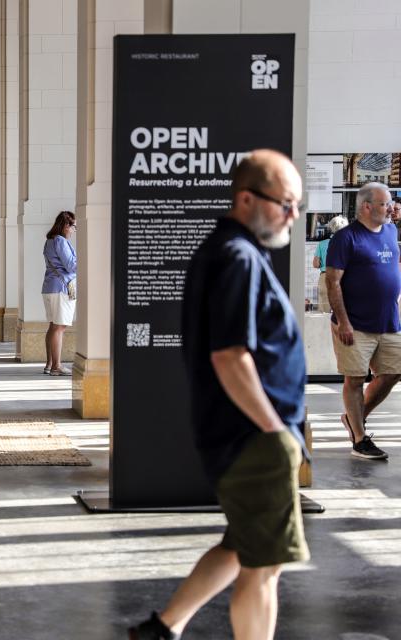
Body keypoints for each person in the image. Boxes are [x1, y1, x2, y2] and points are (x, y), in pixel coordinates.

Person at [129, 150, 309, 640]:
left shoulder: (232, 251)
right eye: (285, 204)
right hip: (253, 439)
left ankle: (162, 628)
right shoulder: (238, 256)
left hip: (246, 436)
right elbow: (230, 356)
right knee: (265, 567)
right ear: (247, 198)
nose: (292, 215)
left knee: (239, 546)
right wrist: (277, 434)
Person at [325, 181, 398, 461]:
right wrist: (343, 322)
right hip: (354, 323)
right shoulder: (345, 238)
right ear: (367, 206)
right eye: (385, 203)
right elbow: (333, 282)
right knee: (355, 379)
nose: (390, 208)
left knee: (393, 372)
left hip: (389, 321)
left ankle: (355, 417)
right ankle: (359, 438)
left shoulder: (391, 231)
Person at [41, 211, 76, 376]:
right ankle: (57, 366)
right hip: (61, 288)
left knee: (53, 326)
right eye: (73, 226)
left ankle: (49, 364)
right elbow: (71, 266)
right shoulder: (60, 241)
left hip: (50, 287)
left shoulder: (49, 241)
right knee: (59, 327)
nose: (73, 230)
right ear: (66, 225)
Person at [312, 215, 348, 313]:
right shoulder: (347, 243)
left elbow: (315, 264)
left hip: (325, 276)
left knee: (324, 312)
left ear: (331, 227)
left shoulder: (322, 244)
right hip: (342, 277)